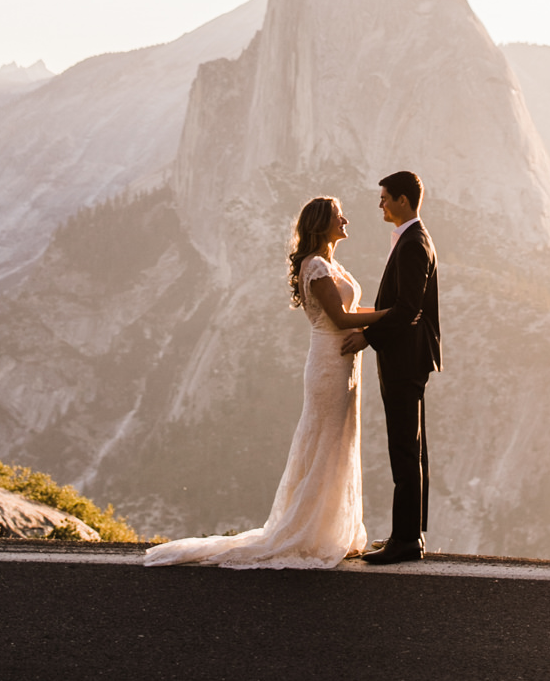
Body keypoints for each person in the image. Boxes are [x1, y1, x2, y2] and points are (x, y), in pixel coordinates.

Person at [143, 196, 386, 568]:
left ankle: (329, 527)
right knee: (323, 442)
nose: (346, 220)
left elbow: (353, 312)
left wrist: (388, 315)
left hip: (344, 362)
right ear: (322, 223)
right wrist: (392, 316)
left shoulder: (330, 264)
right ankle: (310, 529)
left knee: (338, 441)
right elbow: (339, 319)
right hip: (328, 364)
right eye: (340, 216)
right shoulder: (317, 266)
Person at [342, 169, 441, 563]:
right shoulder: (412, 239)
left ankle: (406, 541)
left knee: (404, 447)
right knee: (411, 447)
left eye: (384, 197)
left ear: (402, 199)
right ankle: (409, 534)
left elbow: (408, 310)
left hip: (404, 357)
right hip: (407, 356)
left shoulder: (414, 243)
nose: (380, 203)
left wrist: (367, 337)